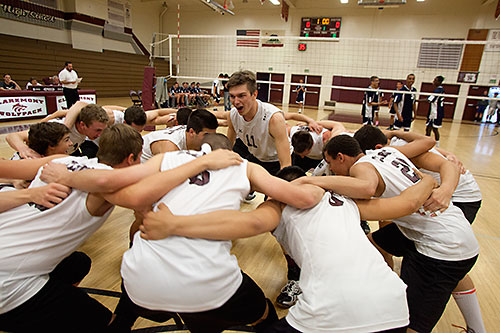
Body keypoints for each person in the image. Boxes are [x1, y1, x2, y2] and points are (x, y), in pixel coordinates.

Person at [0, 125, 243, 332]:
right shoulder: (110, 189)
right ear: (132, 159)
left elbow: (5, 169)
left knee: (78, 263)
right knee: (109, 324)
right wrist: (202, 162)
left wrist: (24, 183)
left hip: (6, 247)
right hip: (10, 283)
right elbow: (140, 207)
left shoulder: (58, 162)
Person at [138, 166, 437, 333]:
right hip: (394, 307)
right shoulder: (347, 203)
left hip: (334, 309)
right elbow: (409, 203)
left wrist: (175, 224)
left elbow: (249, 224)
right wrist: (431, 179)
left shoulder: (279, 205)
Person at [106, 133, 324, 333]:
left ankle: (119, 320)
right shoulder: (244, 166)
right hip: (206, 286)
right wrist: (318, 183)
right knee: (260, 310)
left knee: (143, 269)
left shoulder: (167, 159)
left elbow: (126, 196)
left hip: (140, 288)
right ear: (231, 153)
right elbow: (303, 199)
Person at [301, 130, 479, 333]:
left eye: (330, 163)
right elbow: (443, 161)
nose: (331, 169)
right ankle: (387, 292)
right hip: (455, 232)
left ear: (340, 157)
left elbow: (368, 187)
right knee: (374, 242)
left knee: (411, 325)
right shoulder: (389, 152)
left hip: (441, 249)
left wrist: (311, 181)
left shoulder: (361, 167)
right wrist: (439, 185)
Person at [6, 102, 109, 159]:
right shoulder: (58, 128)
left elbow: (80, 104)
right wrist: (24, 149)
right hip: (31, 162)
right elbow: (12, 136)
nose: (100, 135)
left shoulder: (82, 119)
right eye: (97, 130)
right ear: (82, 125)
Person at [140, 109, 218, 162]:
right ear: (191, 132)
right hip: (137, 168)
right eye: (207, 135)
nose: (211, 139)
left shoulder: (191, 129)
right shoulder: (171, 146)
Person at [424, 75, 445, 146]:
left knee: (430, 129)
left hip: (434, 113)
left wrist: (416, 100)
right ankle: (436, 144)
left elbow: (429, 100)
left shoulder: (438, 90)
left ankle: (427, 143)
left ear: (439, 82)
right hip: (438, 112)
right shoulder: (442, 90)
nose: (433, 81)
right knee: (433, 129)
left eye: (435, 80)